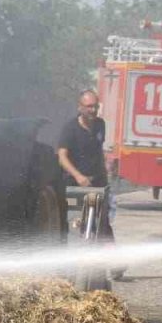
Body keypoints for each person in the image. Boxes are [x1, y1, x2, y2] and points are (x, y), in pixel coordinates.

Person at [57, 89, 116, 245]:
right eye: (89, 106)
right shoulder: (70, 128)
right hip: (76, 186)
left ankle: (114, 261)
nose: (93, 110)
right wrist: (78, 176)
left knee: (103, 224)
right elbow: (62, 156)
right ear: (80, 107)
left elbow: (97, 151)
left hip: (98, 184)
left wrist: (105, 176)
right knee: (76, 225)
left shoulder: (100, 125)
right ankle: (74, 259)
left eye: (95, 106)